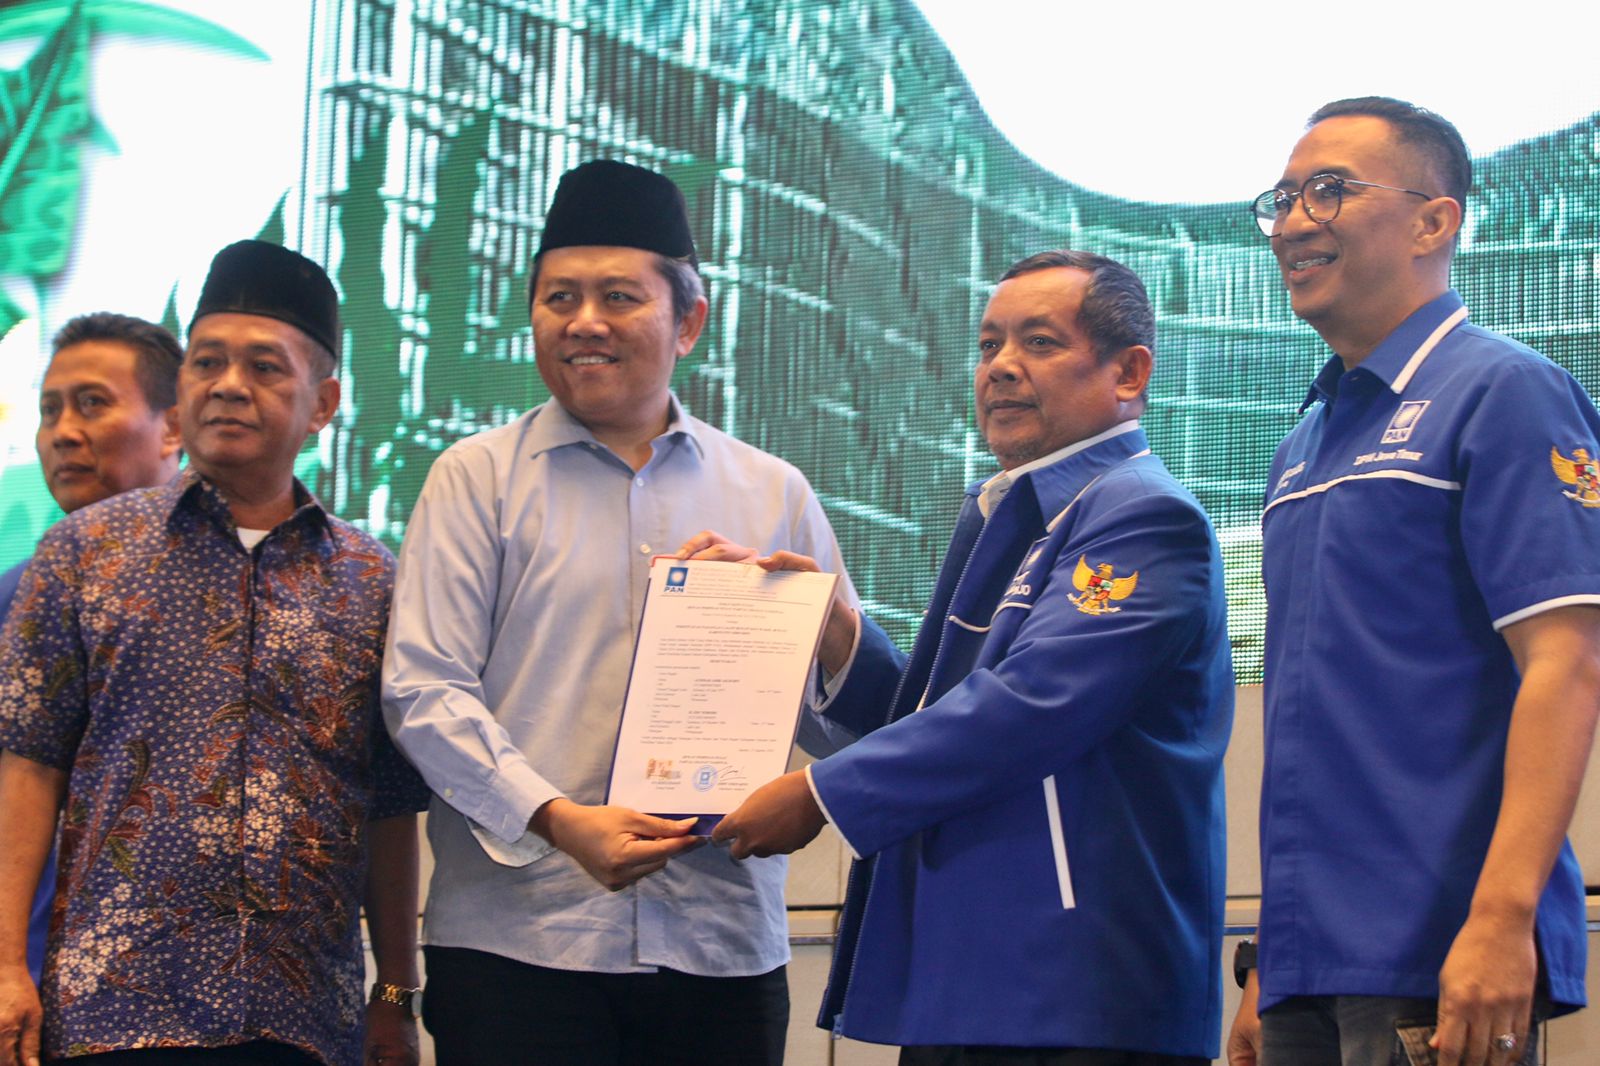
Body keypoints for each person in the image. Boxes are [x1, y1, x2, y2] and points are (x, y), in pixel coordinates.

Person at [381, 159, 858, 1066]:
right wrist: (558, 817)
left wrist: (818, 763)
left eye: (619, 297)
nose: (584, 322)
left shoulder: (774, 493)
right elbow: (423, 691)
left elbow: (844, 717)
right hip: (519, 949)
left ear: (690, 321)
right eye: (559, 297)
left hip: (719, 949)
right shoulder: (474, 480)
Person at [705, 250, 1234, 1065]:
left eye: (1040, 343)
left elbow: (1030, 708)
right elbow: (939, 714)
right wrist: (839, 636)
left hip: (1082, 989)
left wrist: (818, 792)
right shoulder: (1009, 511)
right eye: (989, 346)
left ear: (1129, 372)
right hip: (976, 974)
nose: (1001, 368)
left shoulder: (1144, 516)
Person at [1229, 96, 1598, 1066]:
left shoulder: (1506, 391)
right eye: (1281, 199)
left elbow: (1567, 664)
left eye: (1328, 191)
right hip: (1310, 963)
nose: (1293, 222)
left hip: (1440, 943)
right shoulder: (1302, 443)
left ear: (1435, 221)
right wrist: (1272, 960)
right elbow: (1319, 723)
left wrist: (1502, 917)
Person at [0, 241, 429, 1066]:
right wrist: (6, 966)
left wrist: (394, 998)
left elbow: (389, 804)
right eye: (207, 362)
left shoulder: (373, 579)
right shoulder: (85, 553)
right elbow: (28, 768)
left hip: (304, 1019)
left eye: (264, 367)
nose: (230, 384)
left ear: (323, 403)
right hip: (114, 1012)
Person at [0, 313, 184, 994]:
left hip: (210, 990)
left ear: (175, 426)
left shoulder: (256, 585)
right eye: (50, 410)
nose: (63, 432)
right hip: (35, 977)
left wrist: (395, 989)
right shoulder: (15, 595)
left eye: (92, 404)